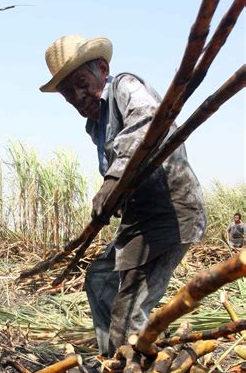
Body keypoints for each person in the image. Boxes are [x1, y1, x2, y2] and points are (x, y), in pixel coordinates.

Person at [40, 35, 206, 356]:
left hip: (170, 213)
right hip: (138, 221)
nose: (76, 96)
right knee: (100, 281)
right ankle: (112, 360)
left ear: (103, 68)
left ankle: (133, 372)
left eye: (81, 83)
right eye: (67, 93)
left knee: (129, 310)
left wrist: (113, 181)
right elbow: (125, 170)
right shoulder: (95, 125)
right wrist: (115, 198)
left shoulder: (125, 87)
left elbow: (147, 122)